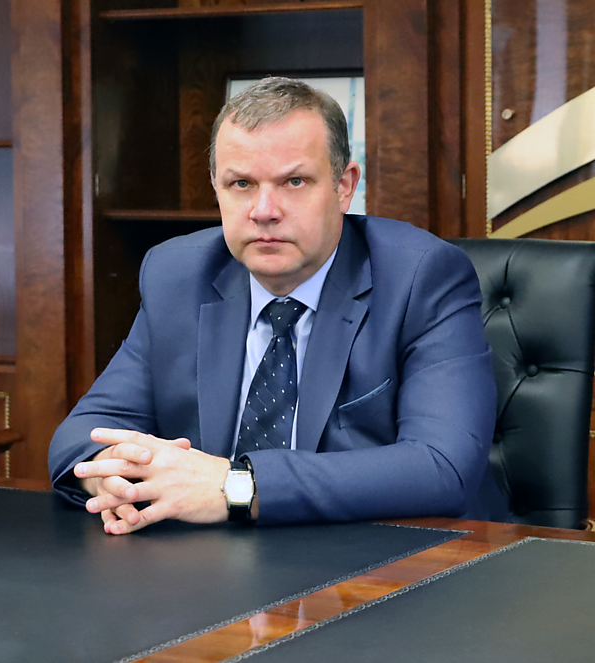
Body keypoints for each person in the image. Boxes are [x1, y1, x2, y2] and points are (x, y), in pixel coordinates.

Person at [48, 77, 509, 535]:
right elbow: (81, 435)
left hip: (392, 556)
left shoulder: (421, 277)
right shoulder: (178, 275)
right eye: (241, 183)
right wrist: (113, 474)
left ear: (344, 186)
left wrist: (235, 487)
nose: (264, 210)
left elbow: (441, 467)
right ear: (216, 188)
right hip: (214, 561)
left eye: (294, 181)